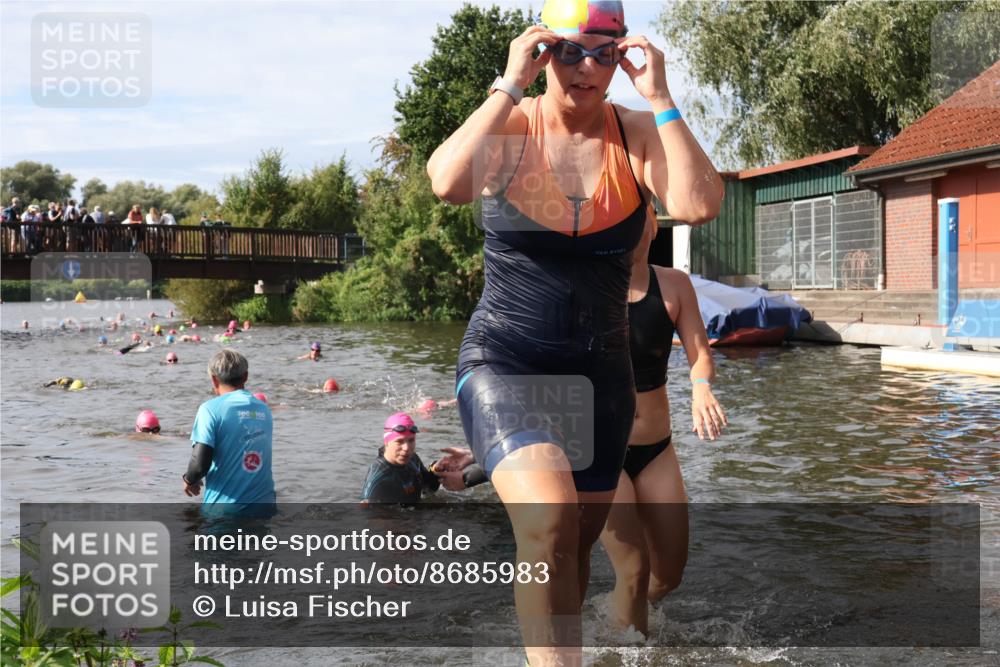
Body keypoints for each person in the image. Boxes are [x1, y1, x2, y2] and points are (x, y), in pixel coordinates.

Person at [426, 0, 722, 662]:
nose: (585, 67)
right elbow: (446, 181)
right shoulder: (515, 124)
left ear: (623, 56)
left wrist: (664, 97)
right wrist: (508, 85)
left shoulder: (638, 132)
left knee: (574, 551)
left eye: (603, 52)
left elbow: (699, 203)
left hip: (601, 379)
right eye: (568, 51)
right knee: (547, 520)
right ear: (540, 52)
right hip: (507, 360)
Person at [597, 206, 726, 635]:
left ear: (653, 223)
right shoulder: (589, 284)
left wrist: (701, 386)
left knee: (667, 575)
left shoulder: (673, 284)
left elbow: (700, 354)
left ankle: (614, 622)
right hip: (599, 452)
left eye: (641, 215)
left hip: (657, 449)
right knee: (633, 570)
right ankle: (629, 649)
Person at [182, 349, 275, 515]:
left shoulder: (209, 410)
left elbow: (199, 464)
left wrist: (189, 480)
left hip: (225, 512)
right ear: (246, 376)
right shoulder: (264, 410)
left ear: (214, 379)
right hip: (265, 507)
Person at [360, 413, 439, 505]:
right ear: (387, 442)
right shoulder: (379, 476)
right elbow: (367, 514)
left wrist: (436, 472)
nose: (406, 448)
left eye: (411, 440)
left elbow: (429, 490)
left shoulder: (413, 459)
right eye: (399, 441)